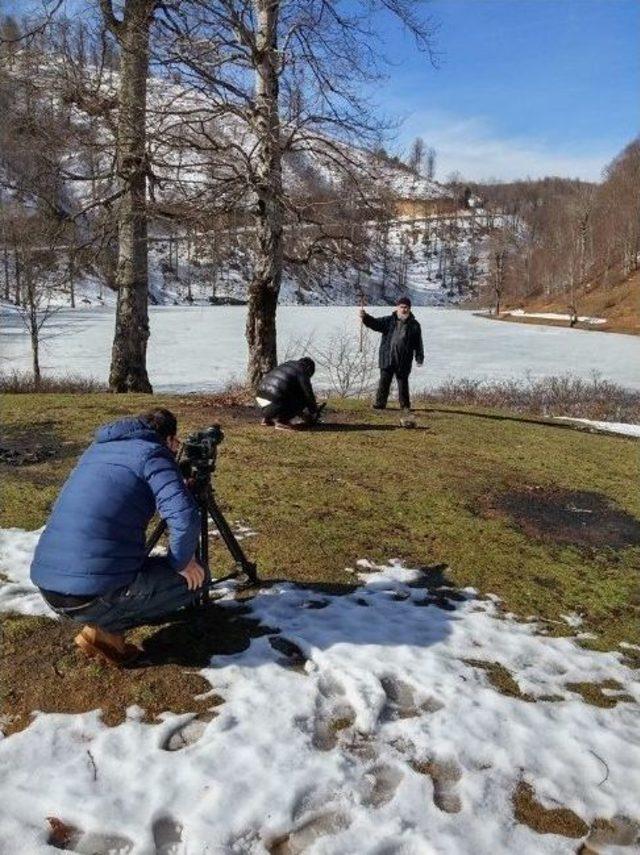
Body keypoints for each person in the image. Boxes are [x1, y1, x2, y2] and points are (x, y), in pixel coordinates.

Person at [30, 408, 205, 666]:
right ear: (168, 439)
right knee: (197, 579)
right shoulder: (153, 453)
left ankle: (99, 620)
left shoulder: (95, 450)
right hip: (90, 595)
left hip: (49, 587)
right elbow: (184, 516)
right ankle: (105, 631)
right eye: (174, 442)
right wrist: (183, 562)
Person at [359, 296, 424, 411]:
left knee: (403, 384)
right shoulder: (388, 320)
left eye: (406, 307)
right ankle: (380, 404)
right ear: (397, 308)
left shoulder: (415, 325)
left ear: (409, 309)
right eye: (402, 307)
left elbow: (418, 343)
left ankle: (405, 406)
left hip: (404, 359)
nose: (404, 310)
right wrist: (365, 317)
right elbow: (375, 323)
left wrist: (419, 357)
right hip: (387, 357)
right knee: (384, 382)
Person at [255, 356, 320, 430]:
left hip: (259, 403)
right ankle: (281, 422)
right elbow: (308, 393)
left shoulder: (287, 364)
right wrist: (314, 411)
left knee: (284, 394)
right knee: (303, 398)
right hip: (274, 403)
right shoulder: (302, 370)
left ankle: (266, 419)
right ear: (309, 369)